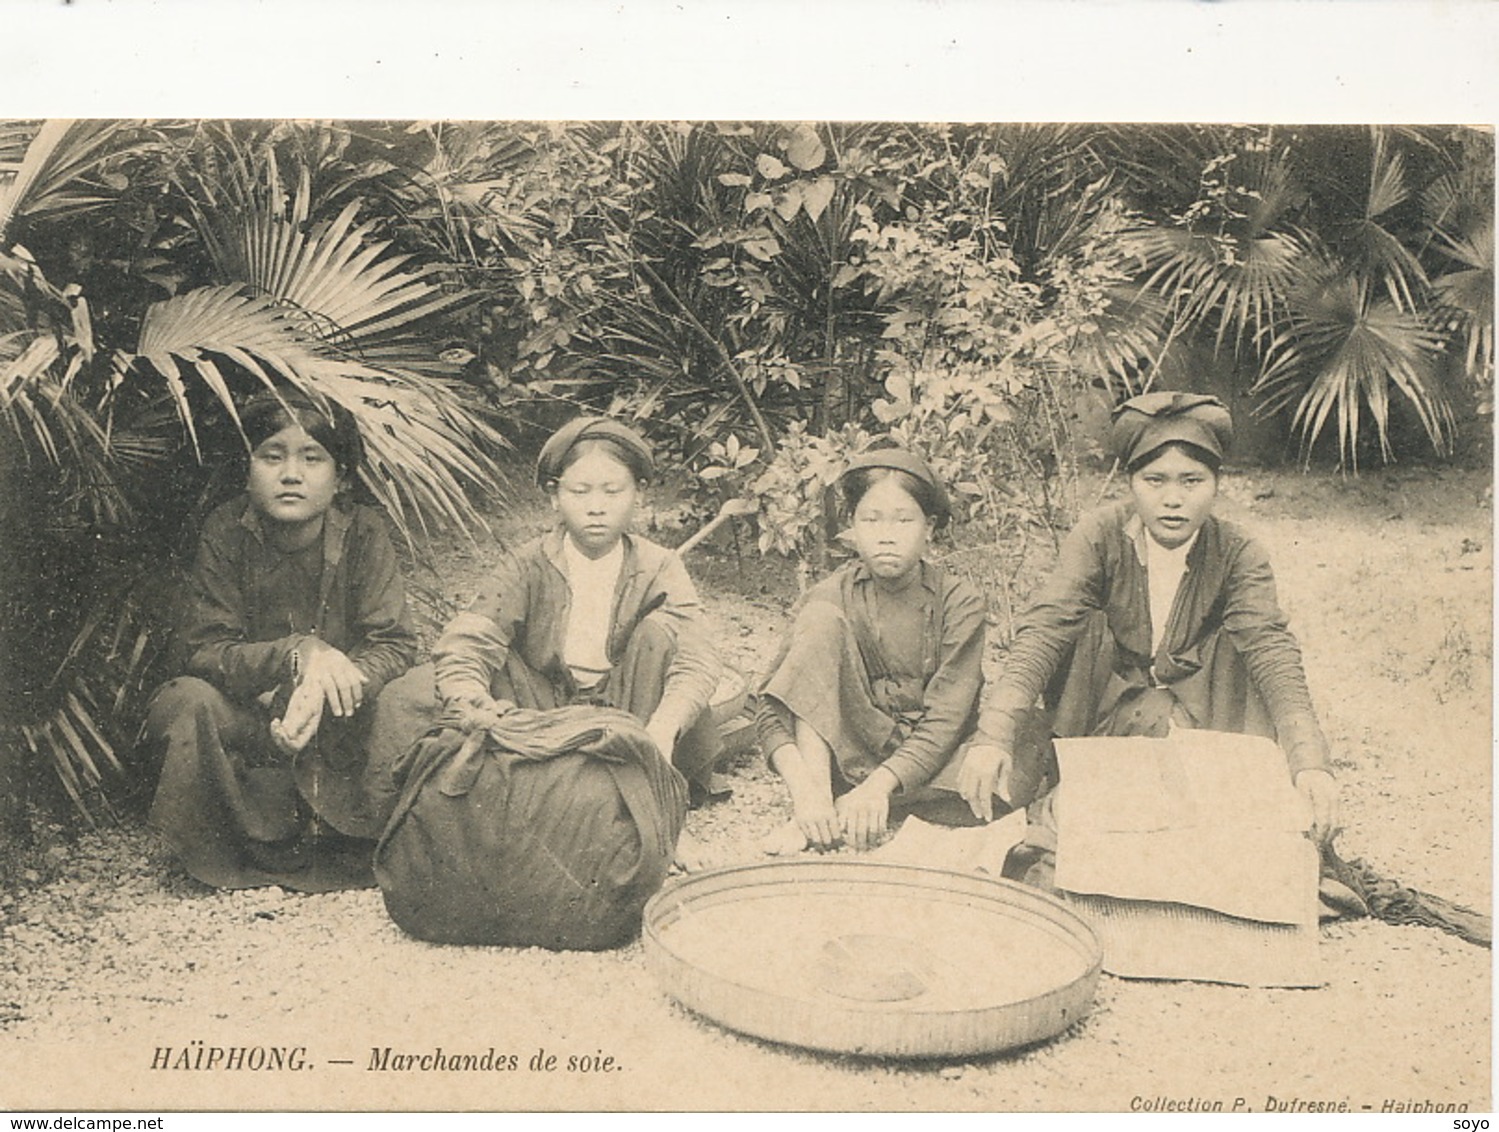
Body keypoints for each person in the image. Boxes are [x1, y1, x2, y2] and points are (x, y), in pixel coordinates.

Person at [956, 392, 1340, 887]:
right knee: (1079, 629)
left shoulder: (1238, 552)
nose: (1173, 499)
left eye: (1192, 481)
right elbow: (1044, 631)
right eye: (1154, 480)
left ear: (1217, 485)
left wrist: (1310, 764)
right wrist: (993, 738)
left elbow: (1273, 653)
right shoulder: (1099, 536)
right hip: (1109, 714)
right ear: (1131, 483)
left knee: (1244, 646)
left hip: (1204, 715)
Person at [367, 416, 723, 862]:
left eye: (613, 491)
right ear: (554, 497)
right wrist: (471, 698)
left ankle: (659, 806)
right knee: (415, 693)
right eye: (580, 492)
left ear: (638, 495)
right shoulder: (528, 563)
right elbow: (471, 639)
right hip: (544, 707)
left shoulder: (659, 565)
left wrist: (663, 730)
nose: (597, 507)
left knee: (659, 635)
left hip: (632, 705)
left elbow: (698, 657)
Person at [142, 389, 418, 891]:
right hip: (250, 717)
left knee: (419, 691)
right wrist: (297, 654)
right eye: (273, 456)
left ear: (342, 478)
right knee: (185, 700)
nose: (291, 474)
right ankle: (218, 846)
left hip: (338, 720)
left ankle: (373, 833)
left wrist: (331, 685)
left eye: (312, 458)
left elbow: (394, 643)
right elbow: (204, 648)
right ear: (247, 471)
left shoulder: (364, 532)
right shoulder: (225, 531)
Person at [756, 445, 987, 855]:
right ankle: (823, 811)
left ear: (929, 527)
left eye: (904, 520)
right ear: (852, 527)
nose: (887, 534)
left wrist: (880, 783)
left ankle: (865, 802)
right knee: (821, 619)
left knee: (1010, 757)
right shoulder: (830, 596)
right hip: (843, 758)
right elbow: (774, 710)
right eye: (871, 519)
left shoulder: (959, 602)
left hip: (931, 758)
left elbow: (947, 721)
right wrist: (805, 793)